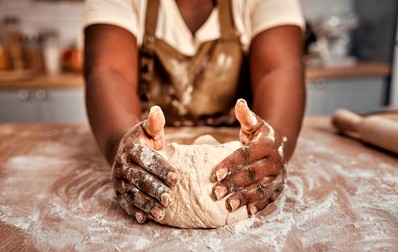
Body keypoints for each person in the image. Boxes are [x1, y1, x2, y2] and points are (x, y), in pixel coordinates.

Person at [83, 0, 306, 224]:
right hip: (154, 151)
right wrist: (123, 145)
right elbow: (108, 70)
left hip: (236, 150)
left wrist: (273, 145)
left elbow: (280, 69)